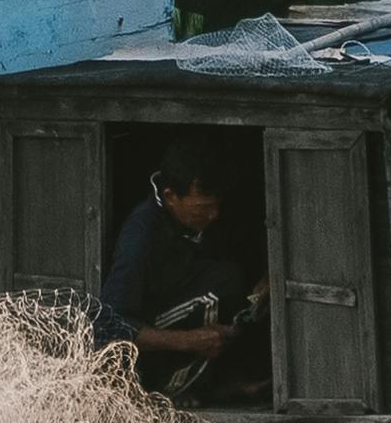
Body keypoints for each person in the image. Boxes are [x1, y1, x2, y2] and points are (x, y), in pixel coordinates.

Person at [95, 164, 271, 401]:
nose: (214, 215)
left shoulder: (197, 221)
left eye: (217, 205)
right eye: (205, 207)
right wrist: (189, 341)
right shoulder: (139, 240)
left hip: (189, 311)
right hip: (148, 353)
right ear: (170, 197)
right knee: (217, 292)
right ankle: (175, 390)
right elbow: (110, 327)